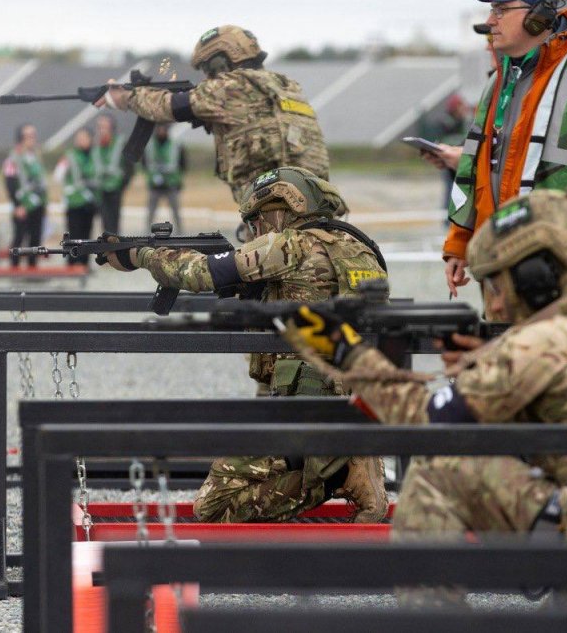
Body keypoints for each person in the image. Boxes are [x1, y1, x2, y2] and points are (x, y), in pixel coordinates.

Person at [284, 190, 567, 607]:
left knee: (438, 469)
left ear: (535, 276)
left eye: (499, 284)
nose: (498, 304)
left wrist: (344, 352)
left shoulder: (546, 341)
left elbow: (430, 419)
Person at [99, 167, 389, 523]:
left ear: (279, 210)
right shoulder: (360, 249)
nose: (254, 234)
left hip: (305, 411)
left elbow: (200, 272)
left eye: (256, 223)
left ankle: (340, 472)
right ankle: (338, 463)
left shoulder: (290, 245)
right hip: (356, 404)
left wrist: (140, 256)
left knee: (211, 507)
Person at [420, 0, 567, 297]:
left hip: (565, 270)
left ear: (537, 19)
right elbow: (474, 169)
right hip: (502, 268)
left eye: (501, 10)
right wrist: (459, 244)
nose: (490, 21)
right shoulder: (498, 83)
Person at [96, 25, 329, 203]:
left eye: (210, 67)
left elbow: (169, 106)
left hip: (279, 206)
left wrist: (124, 96)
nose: (209, 77)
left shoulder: (234, 85)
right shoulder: (284, 86)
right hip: (310, 200)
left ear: (226, 59)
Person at [53, 128, 99, 271]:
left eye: (84, 138)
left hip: (90, 201)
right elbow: (57, 176)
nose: (81, 141)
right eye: (78, 138)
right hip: (74, 202)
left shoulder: (95, 155)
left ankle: (84, 263)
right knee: (74, 232)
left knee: (87, 233)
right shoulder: (70, 156)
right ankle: (72, 264)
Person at [4, 123, 48, 268]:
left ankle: (32, 268)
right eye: (28, 136)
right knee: (19, 238)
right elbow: (10, 183)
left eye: (33, 136)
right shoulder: (14, 158)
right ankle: (14, 268)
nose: (32, 139)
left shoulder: (35, 156)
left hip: (37, 204)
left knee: (35, 238)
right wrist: (17, 205)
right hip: (23, 204)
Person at [92, 114, 133, 234]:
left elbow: (129, 167)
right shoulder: (95, 144)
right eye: (99, 127)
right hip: (99, 189)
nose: (101, 130)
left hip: (115, 189)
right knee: (104, 222)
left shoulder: (120, 142)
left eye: (104, 127)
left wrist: (122, 184)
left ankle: (115, 248)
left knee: (114, 222)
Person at [143, 123, 186, 232]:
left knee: (176, 211)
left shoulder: (176, 145)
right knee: (150, 212)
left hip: (171, 184)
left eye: (164, 129)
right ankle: (147, 233)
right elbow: (145, 165)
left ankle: (180, 233)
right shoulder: (149, 145)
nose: (161, 131)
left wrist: (179, 182)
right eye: (159, 129)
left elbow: (183, 164)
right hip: (154, 185)